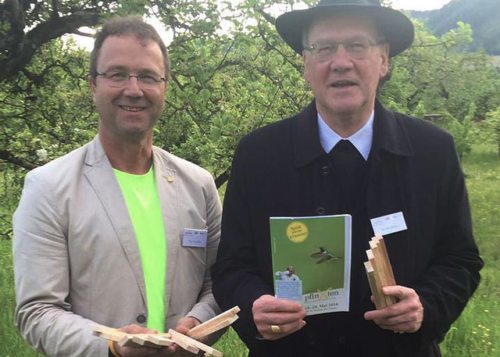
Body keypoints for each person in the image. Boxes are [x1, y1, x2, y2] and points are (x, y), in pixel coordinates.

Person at [211, 1, 483, 356]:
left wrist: (426, 306)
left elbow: (460, 259)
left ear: (383, 60)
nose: (341, 62)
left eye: (357, 46)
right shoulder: (259, 155)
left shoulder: (433, 152)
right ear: (305, 65)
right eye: (323, 49)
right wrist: (253, 306)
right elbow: (232, 266)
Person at [13, 16, 222, 357]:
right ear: (93, 84)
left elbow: (218, 284)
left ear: (165, 87)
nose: (134, 89)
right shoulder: (48, 187)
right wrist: (112, 346)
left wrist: (197, 324)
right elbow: (37, 312)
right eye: (117, 74)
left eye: (148, 77)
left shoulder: (198, 185)